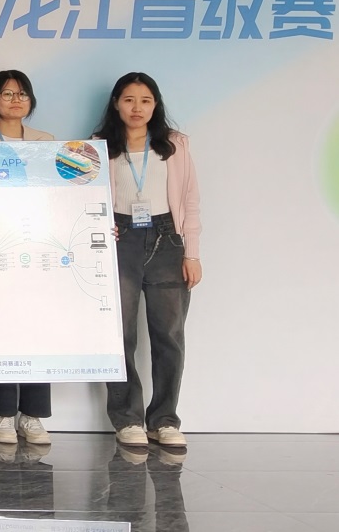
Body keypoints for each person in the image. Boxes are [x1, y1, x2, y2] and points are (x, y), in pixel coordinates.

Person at [92, 72, 202, 449]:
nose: (136, 108)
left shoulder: (174, 145)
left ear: (155, 105)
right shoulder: (98, 146)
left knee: (169, 335)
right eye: (128, 99)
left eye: (145, 100)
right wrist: (99, 229)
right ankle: (127, 419)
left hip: (167, 238)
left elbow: (190, 200)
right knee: (119, 335)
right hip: (118, 238)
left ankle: (164, 420)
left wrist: (192, 253)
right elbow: (84, 199)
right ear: (116, 104)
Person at [0, 69, 56, 446]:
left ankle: (32, 415)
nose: (15, 100)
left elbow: (60, 197)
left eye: (22, 94)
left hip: (38, 249)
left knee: (38, 328)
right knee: (0, 328)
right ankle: (3, 414)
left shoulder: (48, 143)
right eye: (7, 94)